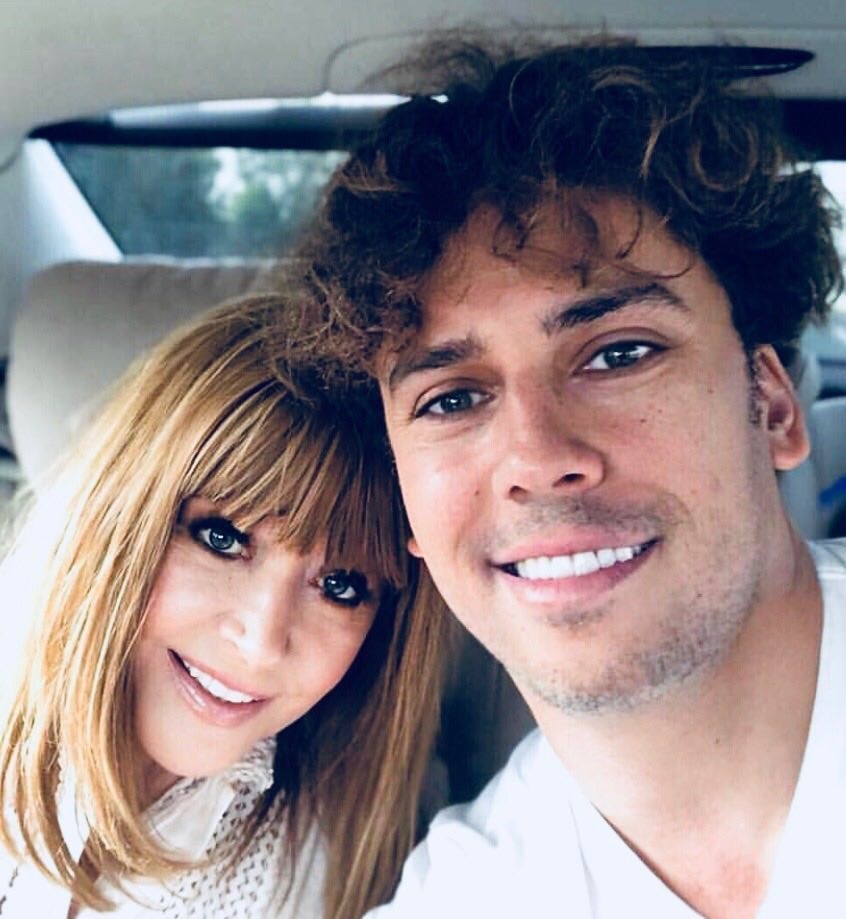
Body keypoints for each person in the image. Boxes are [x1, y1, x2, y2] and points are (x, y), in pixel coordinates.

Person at [292, 36, 846, 917]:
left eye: (619, 354)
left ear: (773, 405)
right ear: (407, 509)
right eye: (451, 399)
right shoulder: (464, 894)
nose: (537, 456)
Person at [0, 292, 449, 917]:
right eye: (222, 539)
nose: (261, 641)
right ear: (123, 515)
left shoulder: (335, 862)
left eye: (341, 587)